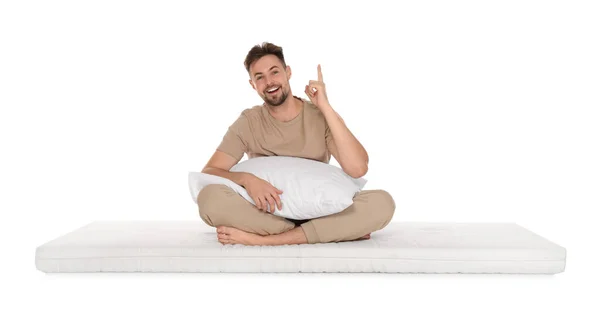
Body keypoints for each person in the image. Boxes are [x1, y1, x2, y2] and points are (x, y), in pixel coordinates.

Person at [197, 42, 396, 246]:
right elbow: (210, 171)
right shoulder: (249, 122)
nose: (269, 82)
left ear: (288, 72)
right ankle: (321, 232)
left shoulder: (320, 116)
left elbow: (358, 168)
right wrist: (247, 180)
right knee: (209, 199)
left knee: (382, 204)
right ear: (252, 85)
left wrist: (325, 107)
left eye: (274, 72)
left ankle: (264, 240)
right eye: (260, 77)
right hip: (267, 215)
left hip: (319, 210)